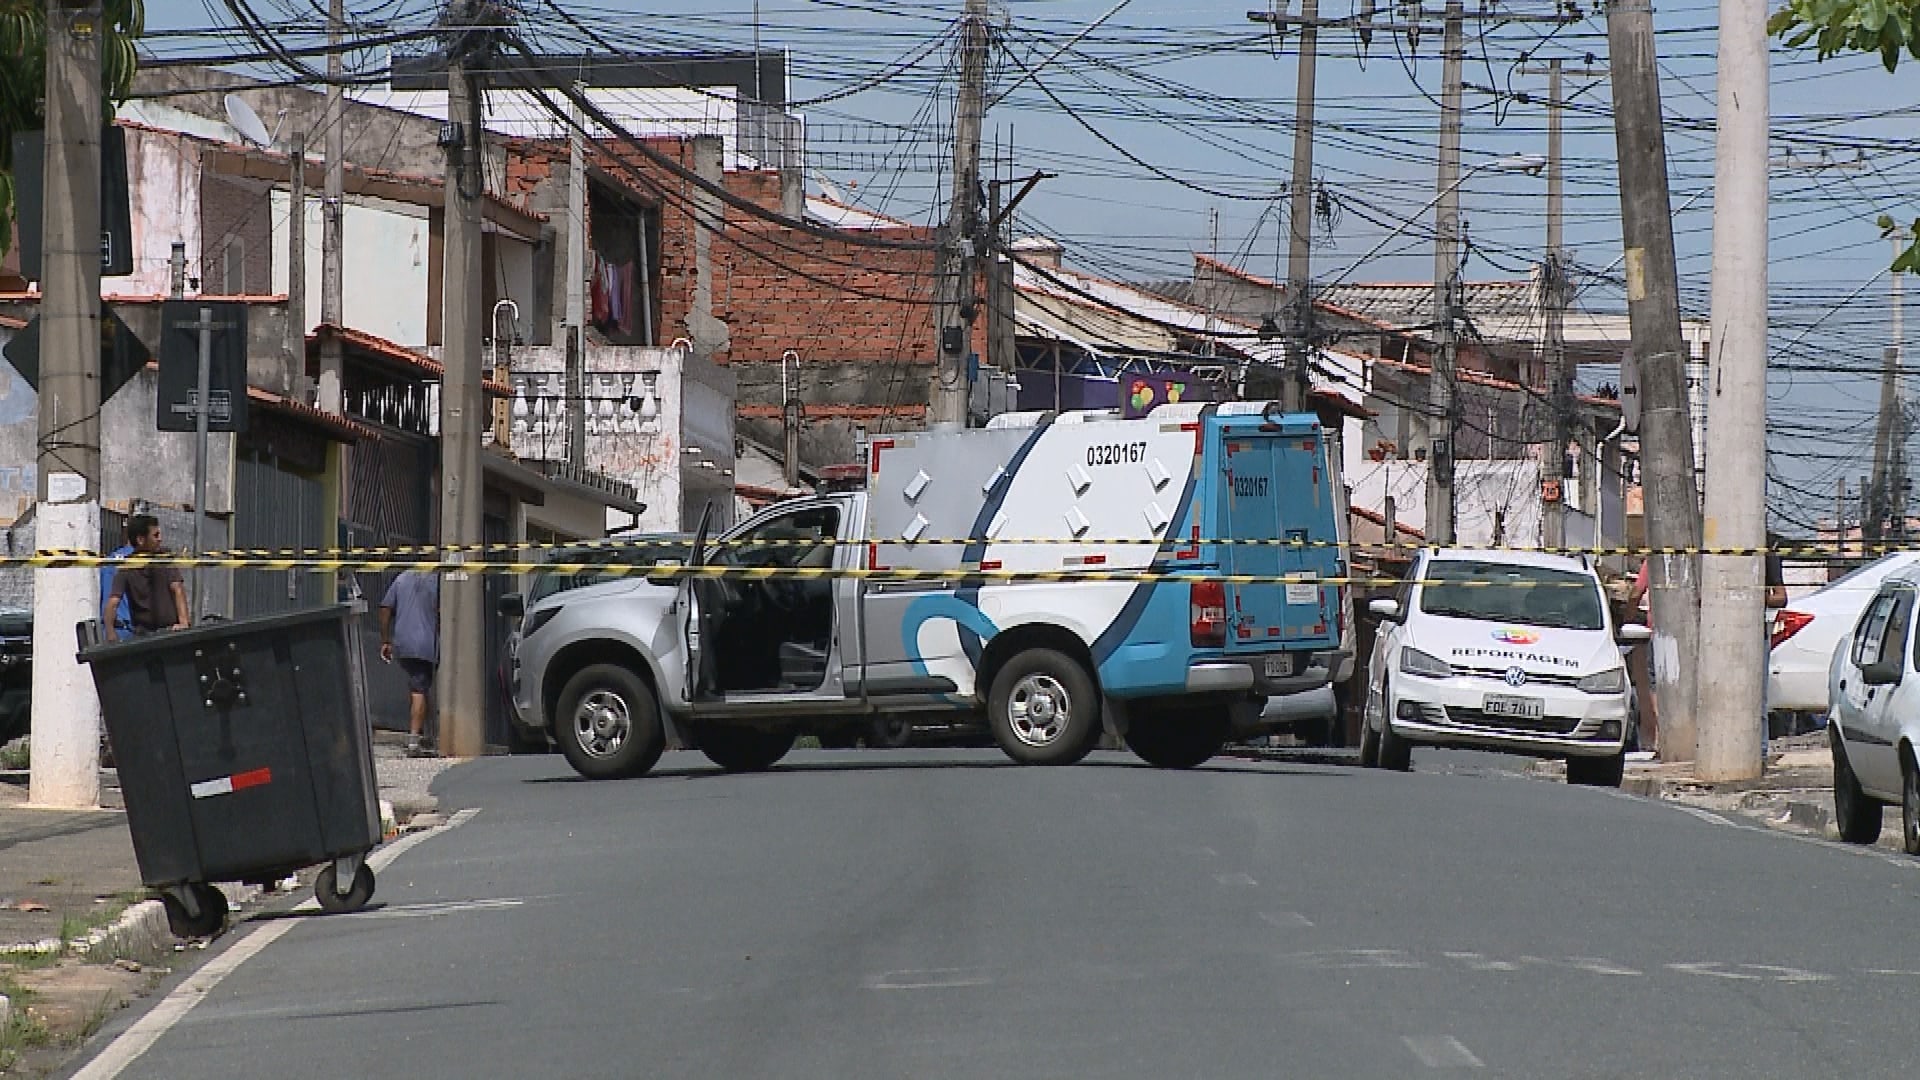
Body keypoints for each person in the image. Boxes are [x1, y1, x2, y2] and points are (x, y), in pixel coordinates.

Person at [380, 570, 440, 757]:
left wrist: (386, 639)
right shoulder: (438, 580)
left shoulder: (402, 578)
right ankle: (414, 740)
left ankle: (426, 735)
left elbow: (385, 608)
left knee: (419, 686)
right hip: (425, 644)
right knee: (419, 688)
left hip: (403, 643)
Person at [101, 514, 189, 641]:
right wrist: (110, 633)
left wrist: (184, 623)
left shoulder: (164, 558)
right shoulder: (127, 567)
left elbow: (178, 589)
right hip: (144, 636)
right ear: (141, 540)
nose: (160, 539)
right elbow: (113, 603)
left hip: (171, 632)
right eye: (155, 535)